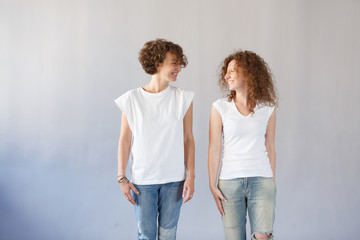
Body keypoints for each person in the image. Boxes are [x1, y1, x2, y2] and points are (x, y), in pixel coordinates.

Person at [114, 39, 195, 240]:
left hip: (174, 180)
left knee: (168, 236)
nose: (178, 68)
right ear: (157, 63)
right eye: (173, 63)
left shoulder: (183, 98)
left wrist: (191, 174)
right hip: (143, 181)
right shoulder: (131, 99)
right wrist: (121, 177)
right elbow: (125, 139)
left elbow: (188, 139)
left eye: (179, 63)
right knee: (146, 236)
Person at [208, 50, 278, 240]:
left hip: (261, 180)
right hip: (229, 182)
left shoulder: (267, 109)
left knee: (263, 235)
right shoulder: (219, 107)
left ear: (248, 73)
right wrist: (212, 185)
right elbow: (214, 148)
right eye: (226, 71)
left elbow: (270, 146)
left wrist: (270, 179)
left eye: (232, 71)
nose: (226, 75)